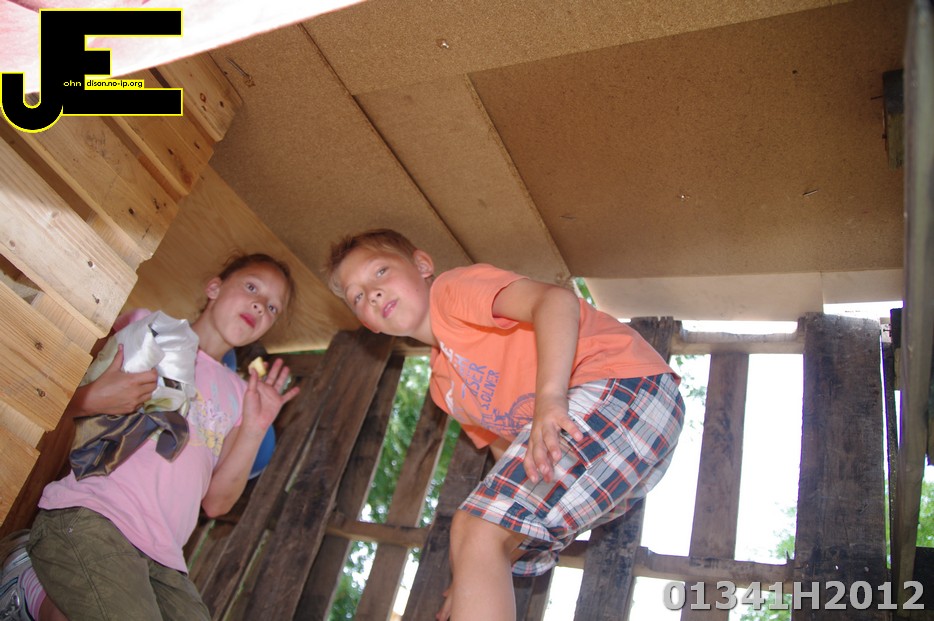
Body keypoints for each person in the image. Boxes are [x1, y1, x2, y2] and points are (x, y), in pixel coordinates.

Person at [324, 229, 685, 621]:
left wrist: (550, 397)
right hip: (622, 456)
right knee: (479, 538)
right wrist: (474, 568)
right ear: (369, 325)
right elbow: (506, 450)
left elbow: (555, 301)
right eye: (357, 296)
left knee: (475, 529)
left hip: (624, 387)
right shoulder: (444, 386)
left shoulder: (451, 292)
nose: (372, 293)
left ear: (422, 265)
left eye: (380, 272)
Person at [1, 253, 301, 621]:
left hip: (166, 560)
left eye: (272, 307)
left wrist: (255, 427)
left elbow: (217, 504)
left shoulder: (243, 396)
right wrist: (90, 398)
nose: (260, 305)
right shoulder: (151, 329)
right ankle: (26, 581)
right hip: (95, 514)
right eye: (252, 287)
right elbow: (54, 400)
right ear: (214, 287)